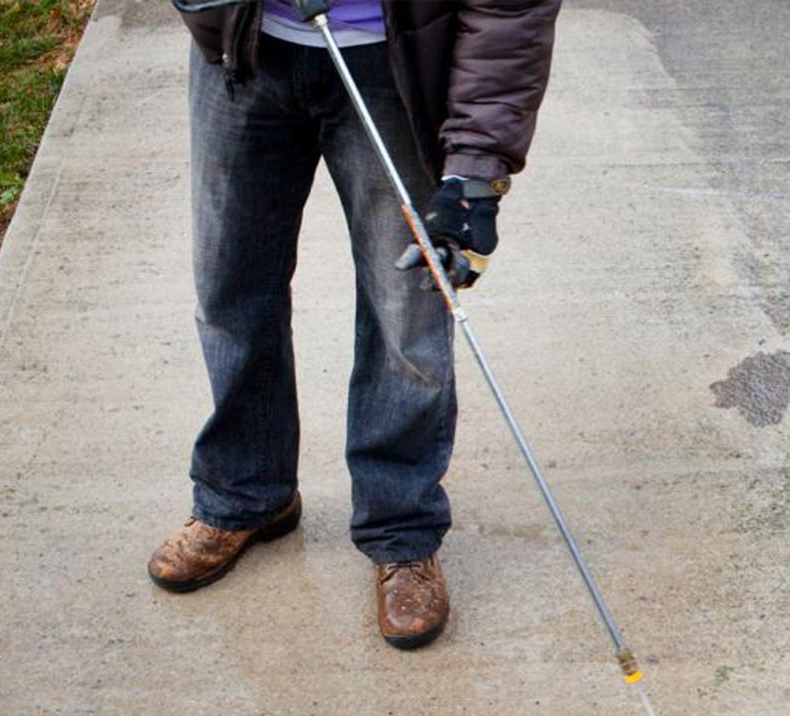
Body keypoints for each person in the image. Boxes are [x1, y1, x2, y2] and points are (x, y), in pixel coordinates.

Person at [148, 1, 560, 649]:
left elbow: (511, 10)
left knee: (406, 313)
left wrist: (475, 174)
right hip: (246, 49)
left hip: (390, 64)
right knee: (230, 287)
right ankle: (245, 492)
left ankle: (402, 528)